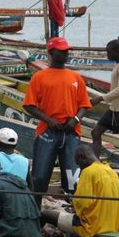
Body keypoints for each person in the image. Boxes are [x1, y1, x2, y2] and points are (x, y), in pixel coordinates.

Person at [23, 37, 92, 208]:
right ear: (51, 53)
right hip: (47, 132)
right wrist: (48, 120)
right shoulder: (39, 77)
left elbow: (84, 105)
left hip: (71, 133)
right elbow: (29, 105)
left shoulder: (76, 77)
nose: (66, 53)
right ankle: (35, 215)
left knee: (72, 177)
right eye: (62, 51)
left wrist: (75, 119)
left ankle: (75, 212)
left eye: (67, 50)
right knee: (39, 177)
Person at [42, 144, 119, 237]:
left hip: (90, 227)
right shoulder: (112, 172)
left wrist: (71, 200)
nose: (79, 167)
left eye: (78, 164)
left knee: (44, 214)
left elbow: (83, 202)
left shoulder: (88, 172)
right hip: (111, 226)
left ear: (81, 157)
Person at [91, 39, 119, 167]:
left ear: (118, 51)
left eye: (109, 52)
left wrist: (101, 98)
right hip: (114, 108)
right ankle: (95, 165)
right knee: (95, 132)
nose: (107, 55)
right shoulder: (118, 65)